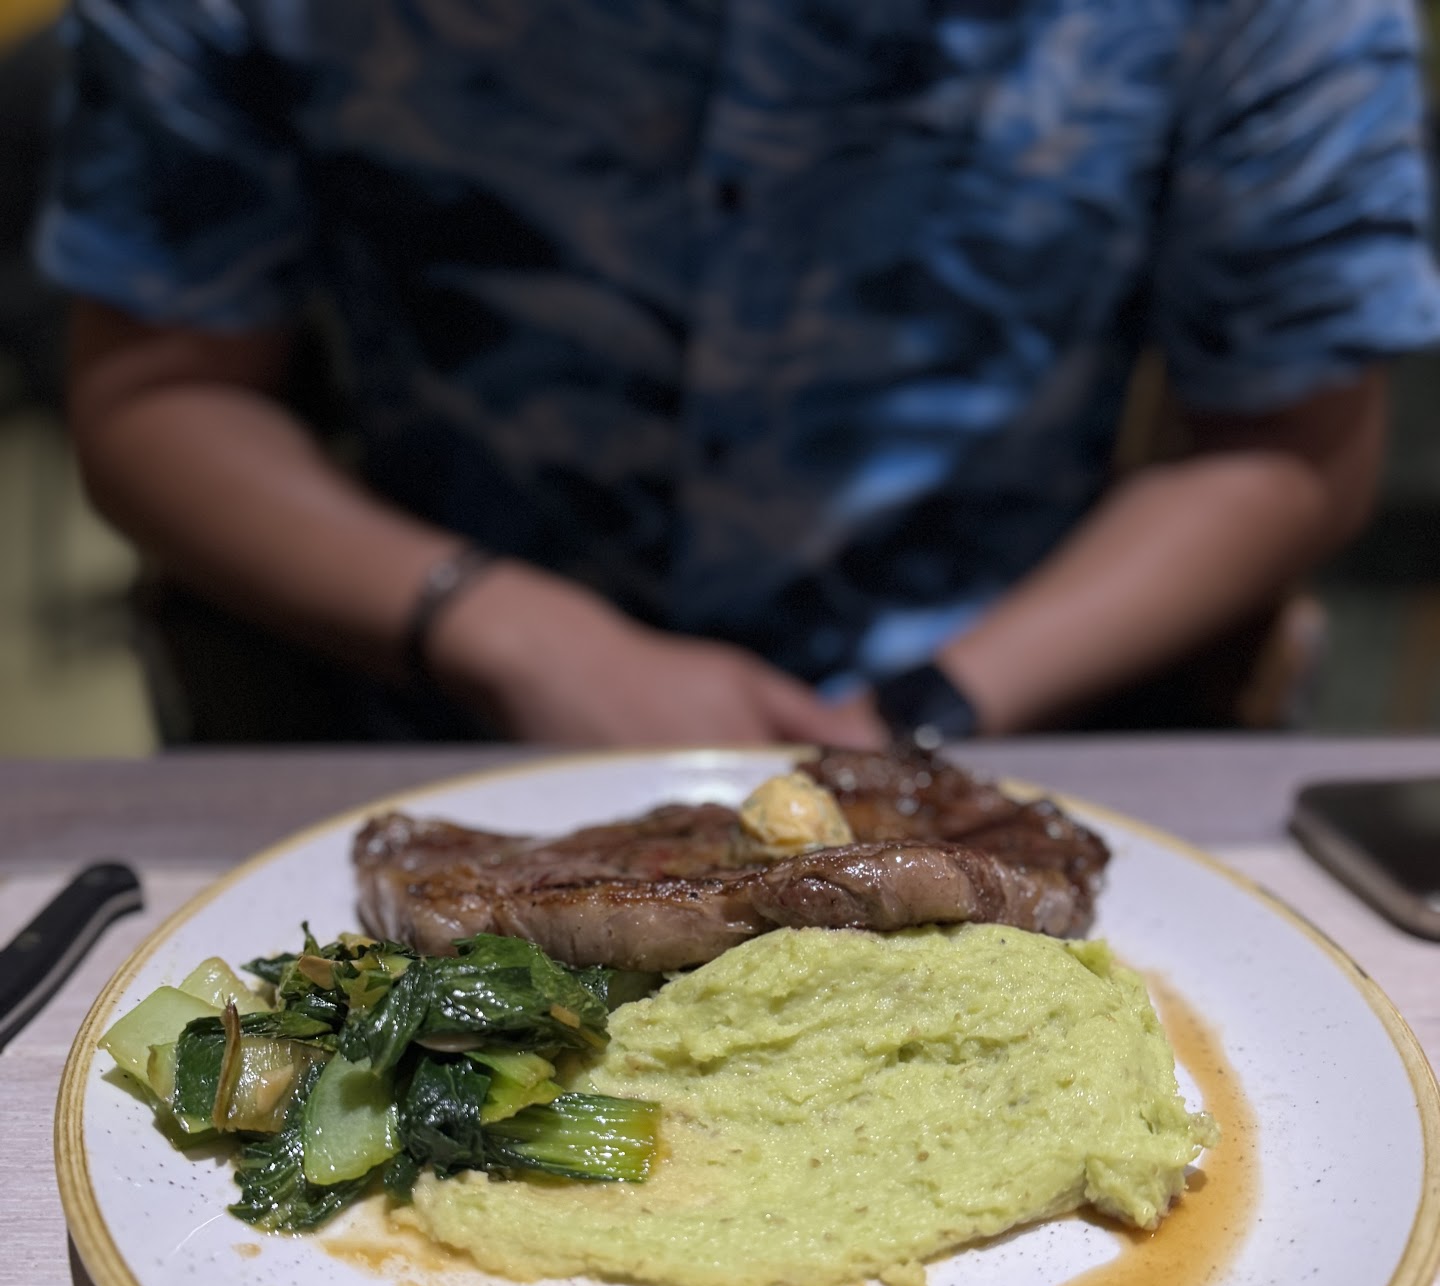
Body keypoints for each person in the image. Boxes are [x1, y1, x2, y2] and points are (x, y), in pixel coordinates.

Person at [37, 0, 1440, 747]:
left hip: (1018, 725)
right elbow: (161, 391)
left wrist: (931, 712)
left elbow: (1289, 443)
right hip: (429, 710)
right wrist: (514, 633)